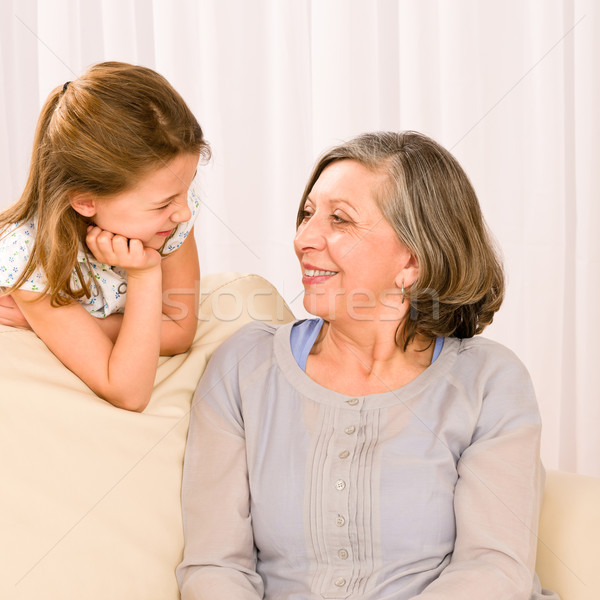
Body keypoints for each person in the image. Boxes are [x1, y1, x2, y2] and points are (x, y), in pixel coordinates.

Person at [176, 131, 559, 599]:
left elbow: (494, 571)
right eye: (306, 214)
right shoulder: (244, 366)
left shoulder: (488, 381)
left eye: (339, 219)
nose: (303, 238)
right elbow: (215, 566)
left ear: (412, 262)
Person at [0, 61, 210, 412]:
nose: (184, 213)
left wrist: (86, 325)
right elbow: (129, 392)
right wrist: (144, 276)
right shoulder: (28, 255)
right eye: (163, 203)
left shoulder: (171, 217)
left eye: (184, 192)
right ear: (85, 201)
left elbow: (180, 329)